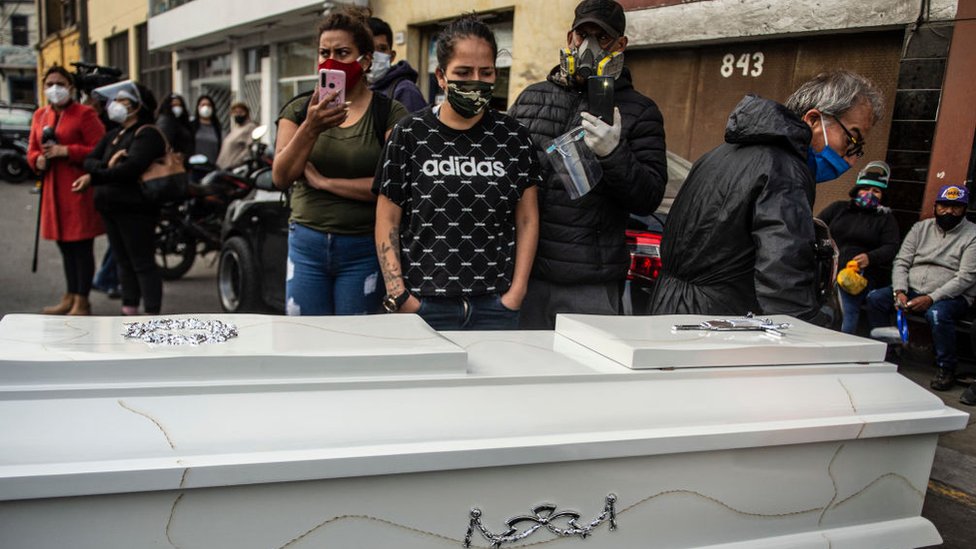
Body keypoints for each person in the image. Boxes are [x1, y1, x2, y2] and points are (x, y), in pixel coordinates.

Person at [649, 70, 884, 323]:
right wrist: (805, 333)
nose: (850, 156)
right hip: (720, 324)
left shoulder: (719, 155)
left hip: (670, 309)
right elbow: (784, 279)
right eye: (852, 138)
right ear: (813, 120)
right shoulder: (784, 170)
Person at [373, 16, 541, 331]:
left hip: (496, 306)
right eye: (463, 72)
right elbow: (387, 220)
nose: (475, 81)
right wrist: (399, 295)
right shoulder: (410, 133)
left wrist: (516, 292)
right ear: (441, 76)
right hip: (423, 305)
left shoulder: (514, 137)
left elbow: (528, 219)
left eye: (486, 72)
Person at [508, 0, 668, 329]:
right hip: (527, 275)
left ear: (621, 45)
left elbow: (649, 196)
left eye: (603, 38)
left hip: (591, 283)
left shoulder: (641, 111)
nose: (591, 46)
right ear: (570, 38)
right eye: (584, 35)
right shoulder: (531, 98)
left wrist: (614, 153)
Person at [272, 6, 408, 316]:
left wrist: (324, 182)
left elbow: (393, 188)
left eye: (343, 52)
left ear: (366, 59)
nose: (331, 60)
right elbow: (281, 176)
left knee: (353, 344)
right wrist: (311, 127)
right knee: (305, 341)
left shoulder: (389, 113)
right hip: (307, 243)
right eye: (324, 52)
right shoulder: (298, 109)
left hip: (363, 246)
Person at [866, 184, 976, 392]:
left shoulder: (972, 235)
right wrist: (899, 290)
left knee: (936, 314)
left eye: (956, 207)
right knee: (875, 299)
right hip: (912, 288)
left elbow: (966, 277)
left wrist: (932, 298)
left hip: (951, 296)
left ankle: (946, 368)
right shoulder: (920, 228)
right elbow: (901, 261)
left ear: (965, 209)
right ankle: (887, 350)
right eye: (944, 206)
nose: (949, 211)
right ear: (936, 206)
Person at [73, 81, 167, 315]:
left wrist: (95, 177)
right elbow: (90, 161)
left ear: (138, 106)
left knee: (142, 262)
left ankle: (152, 316)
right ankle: (129, 311)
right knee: (123, 262)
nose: (116, 105)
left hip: (136, 209)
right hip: (110, 206)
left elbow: (129, 170)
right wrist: (108, 164)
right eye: (116, 101)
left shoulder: (147, 134)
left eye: (124, 101)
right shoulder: (113, 134)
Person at [27, 66, 106, 315]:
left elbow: (100, 149)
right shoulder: (40, 115)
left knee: (81, 246)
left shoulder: (85, 114)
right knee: (64, 246)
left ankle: (82, 299)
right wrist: (37, 160)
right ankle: (70, 294)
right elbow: (32, 149)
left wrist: (67, 151)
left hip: (77, 188)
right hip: (52, 190)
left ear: (71, 87)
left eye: (59, 83)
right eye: (49, 83)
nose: (54, 88)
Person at [818, 161, 901, 333]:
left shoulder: (885, 219)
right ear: (857, 190)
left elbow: (891, 247)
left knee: (846, 310)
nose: (870, 194)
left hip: (856, 275)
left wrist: (870, 257)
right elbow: (817, 226)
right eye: (866, 189)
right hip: (826, 269)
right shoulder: (838, 208)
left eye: (876, 191)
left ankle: (843, 344)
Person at [366, 16, 427, 113]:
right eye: (370, 49)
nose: (375, 55)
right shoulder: (355, 90)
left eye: (382, 49)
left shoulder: (405, 91)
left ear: (392, 56)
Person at [216, 101, 259, 169]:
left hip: (234, 168)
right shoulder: (235, 128)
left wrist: (235, 163)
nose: (238, 114)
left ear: (246, 113)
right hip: (223, 167)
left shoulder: (250, 127)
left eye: (241, 112)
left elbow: (249, 149)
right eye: (235, 112)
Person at [191, 95, 222, 164]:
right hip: (194, 166)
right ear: (198, 107)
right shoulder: (192, 126)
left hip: (211, 165)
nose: (206, 107)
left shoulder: (216, 127)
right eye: (203, 105)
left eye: (208, 105)